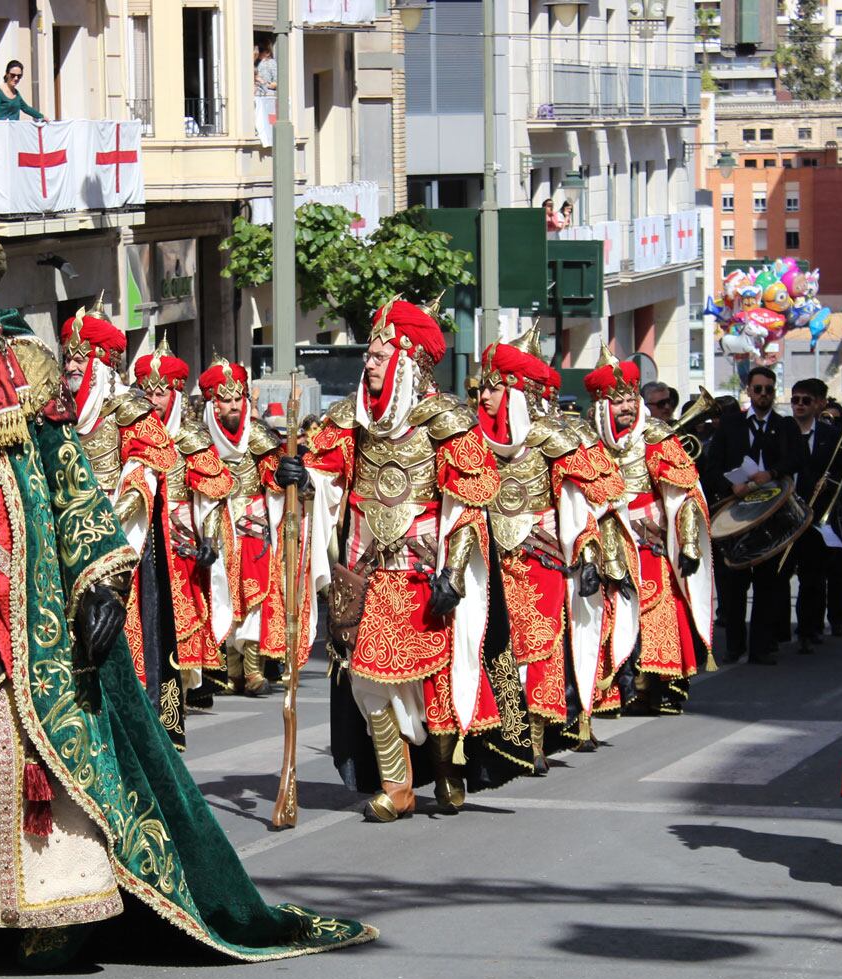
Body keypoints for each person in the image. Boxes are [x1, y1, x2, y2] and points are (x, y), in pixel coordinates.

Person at [0, 182, 373, 979]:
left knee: (28, 762)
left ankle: (49, 912)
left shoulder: (29, 388)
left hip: (25, 614)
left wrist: (101, 583)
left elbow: (74, 491)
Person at [287, 297, 503, 822]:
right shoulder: (351, 418)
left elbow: (472, 499)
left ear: (408, 357)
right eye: (370, 353)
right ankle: (398, 786)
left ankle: (448, 770)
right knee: (367, 680)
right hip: (367, 573)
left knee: (435, 680)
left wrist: (454, 572)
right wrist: (297, 479)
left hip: (425, 574)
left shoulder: (445, 420)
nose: (369, 361)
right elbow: (323, 474)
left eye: (380, 354)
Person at [473, 333, 621, 771]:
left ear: (516, 389)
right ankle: (495, 735)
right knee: (489, 646)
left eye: (493, 387)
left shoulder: (550, 438)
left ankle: (533, 741)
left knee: (537, 650)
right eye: (481, 387)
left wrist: (588, 550)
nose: (483, 396)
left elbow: (598, 491)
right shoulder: (467, 435)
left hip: (539, 560)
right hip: (487, 558)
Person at [60, 306, 195, 743]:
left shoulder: (130, 411)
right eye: (68, 355)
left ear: (103, 362)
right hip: (65, 547)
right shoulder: (57, 412)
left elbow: (149, 467)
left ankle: (137, 734)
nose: (73, 364)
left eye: (83, 355)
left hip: (121, 550)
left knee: (128, 651)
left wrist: (115, 510)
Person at [592, 351, 714, 716]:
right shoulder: (589, 440)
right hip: (606, 540)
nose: (627, 407)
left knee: (655, 614)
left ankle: (654, 686)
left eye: (631, 399)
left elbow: (686, 494)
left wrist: (689, 543)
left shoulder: (656, 436)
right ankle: (613, 689)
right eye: (618, 401)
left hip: (650, 541)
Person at [130, 339, 234, 714]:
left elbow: (210, 494)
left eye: (161, 392)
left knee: (183, 617)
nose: (154, 400)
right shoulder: (130, 432)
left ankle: (179, 694)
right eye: (148, 391)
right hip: (141, 536)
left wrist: (209, 539)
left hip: (180, 544)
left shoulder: (190, 438)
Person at [703, 364, 806, 665]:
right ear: (748, 390)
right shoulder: (730, 425)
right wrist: (730, 485)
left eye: (769, 390)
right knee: (733, 584)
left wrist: (772, 472)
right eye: (758, 389)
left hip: (771, 511)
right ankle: (734, 644)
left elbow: (797, 459)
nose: (763, 395)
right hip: (737, 511)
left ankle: (761, 646)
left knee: (768, 583)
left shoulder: (785, 426)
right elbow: (712, 468)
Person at [196, 358, 287, 699]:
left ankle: (252, 670)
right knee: (221, 596)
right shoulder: (200, 437)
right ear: (213, 403)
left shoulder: (259, 435)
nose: (234, 405)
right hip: (216, 527)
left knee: (254, 597)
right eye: (226, 399)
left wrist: (288, 479)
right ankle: (230, 668)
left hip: (252, 527)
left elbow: (274, 478)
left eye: (238, 398)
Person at [786, 378, 842, 650]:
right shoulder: (782, 430)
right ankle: (780, 629)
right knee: (778, 575)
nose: (798, 405)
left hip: (815, 514)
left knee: (813, 577)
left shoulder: (831, 436)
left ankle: (810, 628)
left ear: (820, 403)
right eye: (795, 399)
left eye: (805, 400)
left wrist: (827, 483)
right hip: (785, 512)